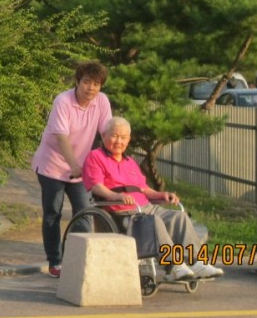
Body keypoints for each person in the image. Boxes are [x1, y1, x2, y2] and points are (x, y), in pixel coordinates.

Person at [82, 116, 224, 280]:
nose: (118, 141)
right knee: (153, 220)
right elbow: (96, 186)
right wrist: (117, 196)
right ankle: (173, 265)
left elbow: (143, 189)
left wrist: (162, 195)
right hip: (123, 212)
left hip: (146, 207)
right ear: (104, 135)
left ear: (128, 139)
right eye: (114, 136)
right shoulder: (95, 157)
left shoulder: (129, 161)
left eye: (123, 137)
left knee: (179, 217)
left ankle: (197, 262)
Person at [31, 61, 111, 278]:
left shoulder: (102, 101)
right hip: (52, 165)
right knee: (53, 213)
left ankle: (78, 259)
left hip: (82, 169)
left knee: (84, 212)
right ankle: (55, 261)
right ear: (77, 81)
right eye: (86, 82)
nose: (91, 88)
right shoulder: (63, 101)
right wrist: (75, 165)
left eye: (96, 84)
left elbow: (106, 132)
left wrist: (111, 161)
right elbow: (61, 137)